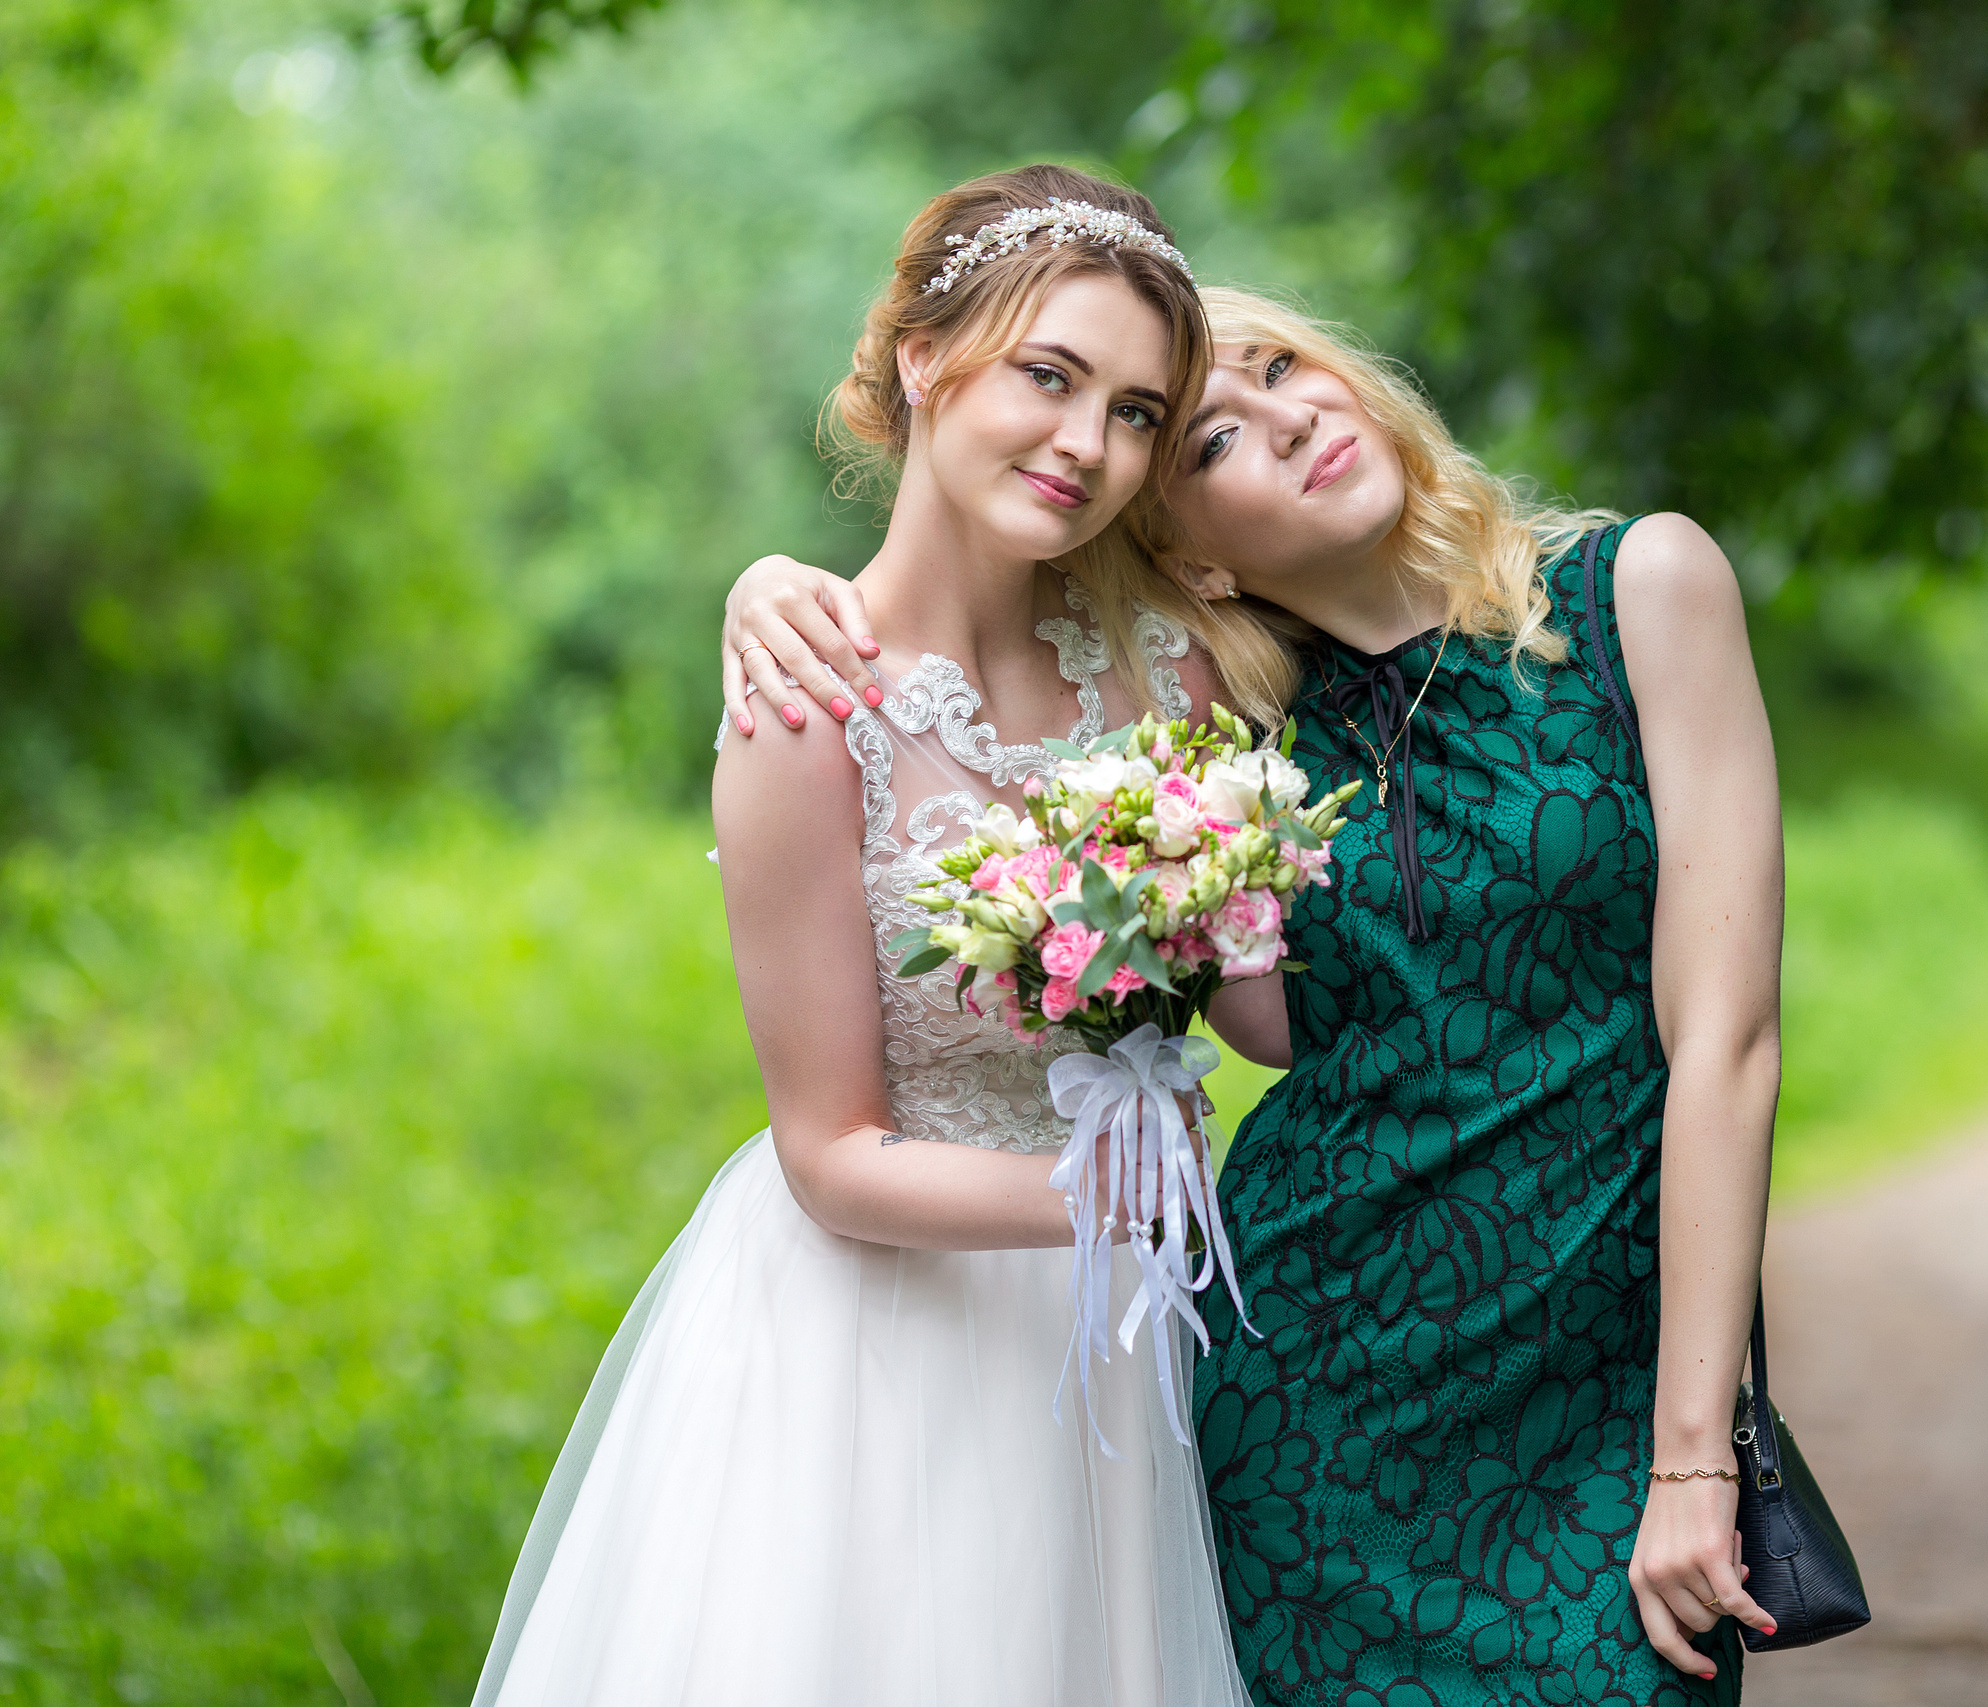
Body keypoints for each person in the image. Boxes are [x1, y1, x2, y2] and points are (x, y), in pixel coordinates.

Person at [722, 287, 1784, 1705]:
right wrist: (773, 583)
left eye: (1288, 366)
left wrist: (1694, 1455)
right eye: (1217, 438)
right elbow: (971, 630)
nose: (1294, 416)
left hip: (1601, 1394)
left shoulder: (1638, 591)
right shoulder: (1215, 711)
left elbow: (1724, 1046)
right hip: (1306, 1396)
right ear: (1189, 559)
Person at [473, 165, 1254, 1707]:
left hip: (1113, 1344)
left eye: (1138, 413)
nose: (1087, 444)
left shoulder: (1177, 671)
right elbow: (829, 1154)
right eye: (1049, 375)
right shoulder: (803, 703)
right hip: (885, 1338)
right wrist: (1123, 1204)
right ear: (923, 356)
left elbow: (1261, 988)